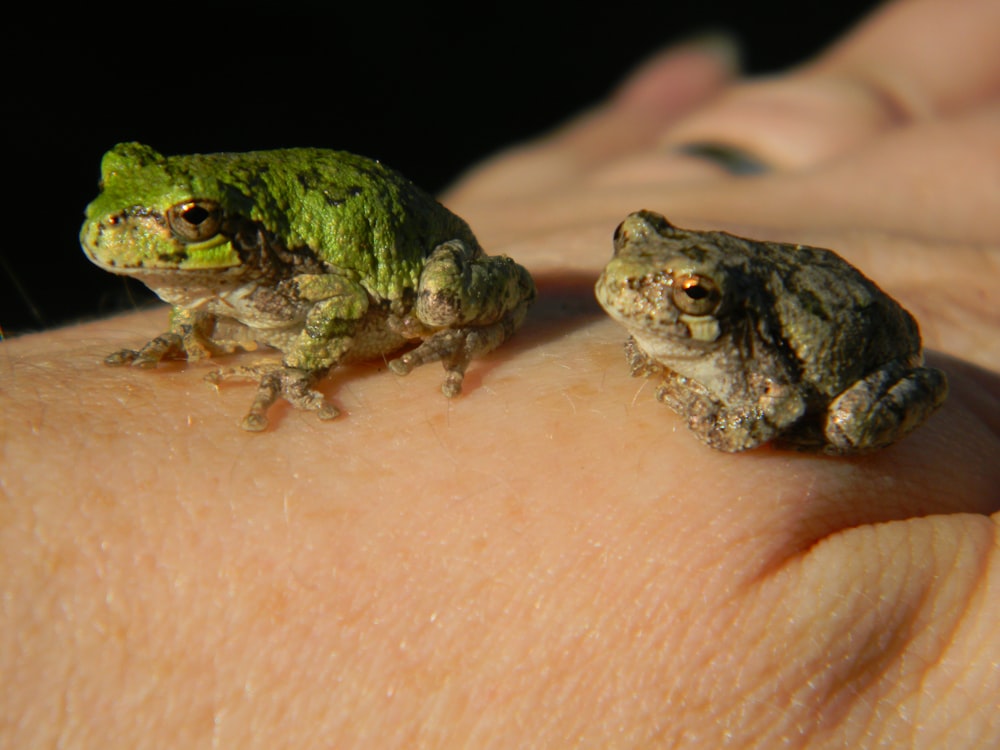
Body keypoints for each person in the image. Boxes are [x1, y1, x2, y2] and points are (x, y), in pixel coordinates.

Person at [3, 0, 998, 745]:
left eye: (184, 221)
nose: (116, 226)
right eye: (627, 243)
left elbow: (771, 408)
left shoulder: (315, 264)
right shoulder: (221, 247)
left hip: (449, 271)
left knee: (439, 302)